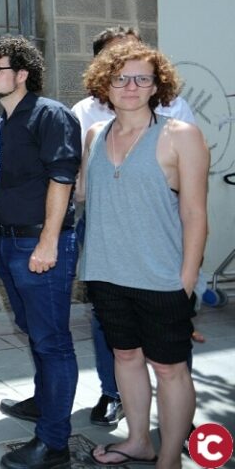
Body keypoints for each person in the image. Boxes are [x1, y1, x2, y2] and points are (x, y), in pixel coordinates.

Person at [77, 42, 208, 468]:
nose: (131, 87)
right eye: (121, 78)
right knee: (125, 357)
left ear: (158, 85)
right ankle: (138, 441)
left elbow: (194, 213)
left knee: (170, 370)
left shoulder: (181, 136)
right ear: (105, 84)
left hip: (161, 278)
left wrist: (186, 281)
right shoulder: (95, 135)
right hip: (106, 273)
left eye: (142, 78)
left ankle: (169, 457)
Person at [0, 36, 81, 469]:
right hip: (10, 241)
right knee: (31, 328)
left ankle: (55, 443)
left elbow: (63, 179)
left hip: (40, 243)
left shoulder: (50, 115)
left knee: (53, 341)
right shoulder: (3, 121)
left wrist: (48, 241)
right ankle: (45, 402)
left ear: (22, 73)